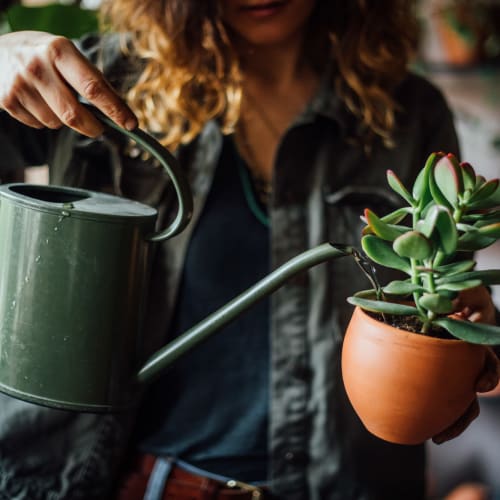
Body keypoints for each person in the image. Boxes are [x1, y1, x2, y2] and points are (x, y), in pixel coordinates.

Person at [0, 1, 498, 499]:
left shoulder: (408, 114)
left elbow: (445, 291)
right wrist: (4, 56)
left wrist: (460, 334)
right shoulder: (98, 82)